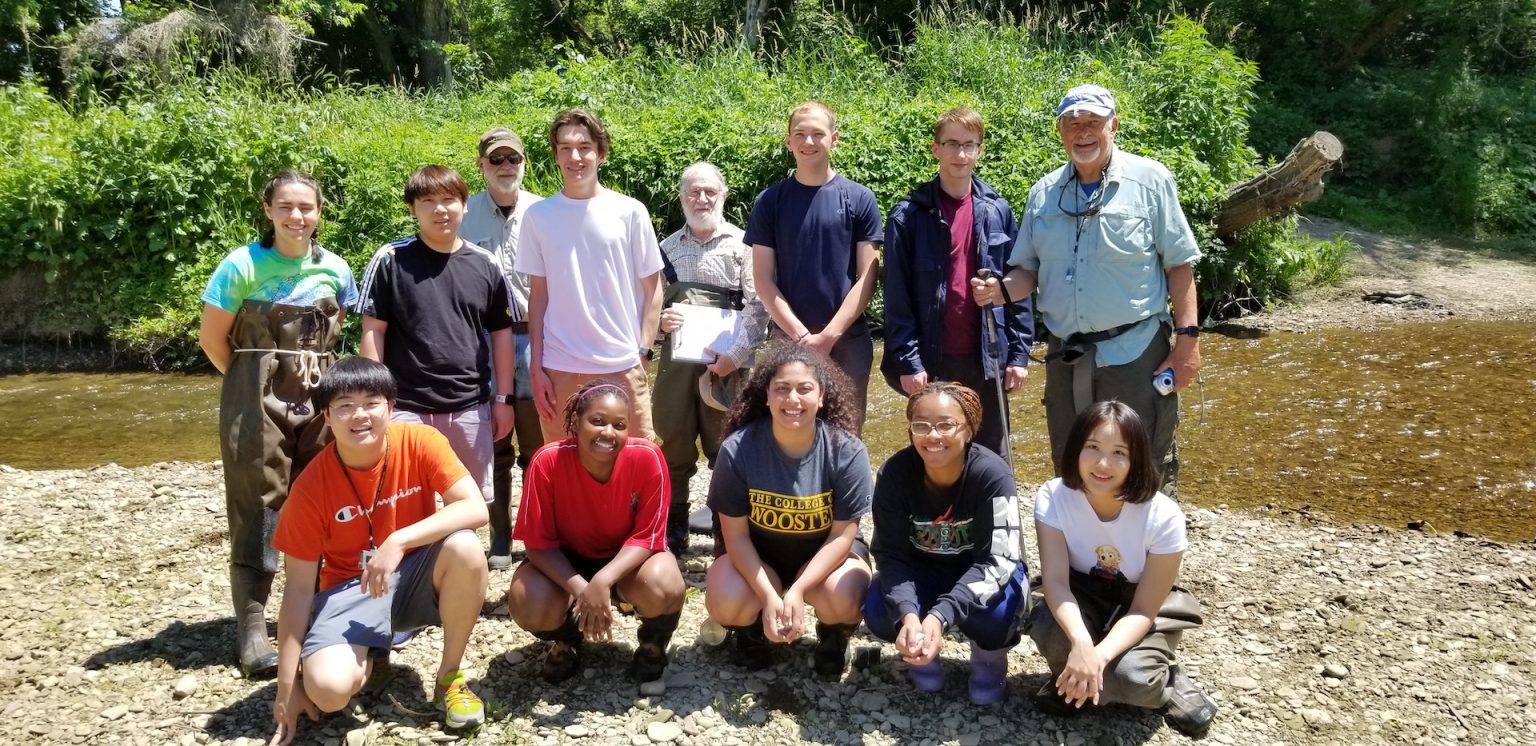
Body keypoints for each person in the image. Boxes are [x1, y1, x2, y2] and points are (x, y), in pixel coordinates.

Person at [971, 84, 1201, 496]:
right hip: (1066, 355)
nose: (1083, 132)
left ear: (1114, 126)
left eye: (1094, 122)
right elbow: (1028, 270)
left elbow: (1178, 265)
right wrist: (999, 292)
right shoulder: (1043, 193)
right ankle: (1081, 539)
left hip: (1135, 351)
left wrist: (1187, 345)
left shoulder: (1151, 180)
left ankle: (1146, 539)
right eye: (1072, 123)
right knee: (1072, 463)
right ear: (1060, 131)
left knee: (1142, 464)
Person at [268, 357, 490, 744]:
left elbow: (475, 508)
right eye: (345, 406)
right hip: (347, 592)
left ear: (390, 407)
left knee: (466, 547)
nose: (360, 415)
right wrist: (286, 688)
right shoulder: (310, 487)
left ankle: (450, 677)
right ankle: (372, 653)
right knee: (329, 692)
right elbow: (299, 590)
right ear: (326, 416)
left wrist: (399, 540)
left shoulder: (421, 442)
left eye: (372, 403)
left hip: (413, 577)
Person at [197, 169, 357, 678]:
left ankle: (316, 610)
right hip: (255, 394)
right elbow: (211, 339)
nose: (296, 216)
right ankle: (251, 629)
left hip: (320, 393)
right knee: (259, 502)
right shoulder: (240, 266)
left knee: (321, 496)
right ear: (268, 210)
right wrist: (250, 381)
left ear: (319, 212)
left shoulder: (336, 268)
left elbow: (337, 331)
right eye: (286, 206)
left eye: (306, 207)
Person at [1026, 400, 1216, 737]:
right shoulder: (1054, 496)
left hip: (1139, 604)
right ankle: (1076, 678)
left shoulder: (1163, 516)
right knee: (1044, 624)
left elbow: (1144, 609)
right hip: (1083, 592)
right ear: (1076, 449)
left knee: (1134, 679)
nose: (1103, 463)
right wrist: (1081, 643)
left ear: (1137, 458)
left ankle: (1167, 683)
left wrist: (1098, 657)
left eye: (1119, 453)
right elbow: (1055, 581)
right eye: (1092, 447)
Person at [704, 342, 873, 679]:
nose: (792, 399)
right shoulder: (738, 449)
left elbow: (842, 537)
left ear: (821, 396)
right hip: (759, 555)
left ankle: (833, 633)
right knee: (725, 599)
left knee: (848, 594)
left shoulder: (847, 451)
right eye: (781, 388)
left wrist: (797, 590)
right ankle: (752, 628)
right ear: (766, 396)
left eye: (804, 389)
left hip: (824, 557)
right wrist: (769, 595)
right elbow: (735, 536)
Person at [356, 165, 516, 516]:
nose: (440, 210)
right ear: (412, 209)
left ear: (465, 205)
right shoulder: (390, 260)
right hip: (405, 407)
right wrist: (374, 400)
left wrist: (503, 399)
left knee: (469, 507)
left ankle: (463, 553)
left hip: (470, 405)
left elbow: (502, 334)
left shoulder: (486, 264)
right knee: (402, 505)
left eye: (449, 199)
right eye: (428, 201)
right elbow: (373, 331)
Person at [506, 380, 686, 683]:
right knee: (527, 600)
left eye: (619, 425)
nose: (608, 433)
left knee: (665, 584)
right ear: (576, 422)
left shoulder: (648, 458)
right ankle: (568, 640)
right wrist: (583, 591)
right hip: (566, 562)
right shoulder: (546, 462)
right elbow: (538, 544)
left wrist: (602, 580)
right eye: (598, 421)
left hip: (626, 562)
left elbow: (648, 536)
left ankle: (653, 642)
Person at [882, 107, 1034, 458]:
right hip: (932, 358)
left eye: (969, 145)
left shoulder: (997, 210)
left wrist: (1019, 354)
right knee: (937, 452)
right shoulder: (908, 215)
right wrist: (909, 361)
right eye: (951, 144)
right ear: (936, 149)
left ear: (980, 150)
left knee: (992, 455)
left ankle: (995, 499)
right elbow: (896, 298)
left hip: (988, 356)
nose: (960, 154)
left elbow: (1017, 284)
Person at [863, 382, 1027, 705]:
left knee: (1000, 614)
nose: (933, 436)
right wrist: (910, 616)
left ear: (969, 429)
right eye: (921, 426)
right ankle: (920, 655)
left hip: (980, 571)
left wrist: (941, 614)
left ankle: (988, 662)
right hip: (923, 571)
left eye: (946, 425)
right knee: (878, 608)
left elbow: (998, 560)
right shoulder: (894, 474)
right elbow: (890, 554)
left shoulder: (993, 475)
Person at [517, 108, 664, 443]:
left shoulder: (630, 212)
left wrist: (643, 352)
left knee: (635, 459)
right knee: (563, 461)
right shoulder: (538, 216)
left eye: (584, 147)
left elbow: (653, 289)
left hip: (622, 364)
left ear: (601, 153)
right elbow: (538, 298)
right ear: (556, 156)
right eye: (565, 148)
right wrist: (536, 368)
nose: (575, 157)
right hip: (559, 367)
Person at [745, 101, 882, 434]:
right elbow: (763, 279)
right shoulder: (770, 201)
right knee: (789, 428)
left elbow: (868, 276)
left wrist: (829, 336)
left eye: (818, 134)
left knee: (846, 433)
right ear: (789, 142)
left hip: (848, 339)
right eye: (800, 134)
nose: (808, 142)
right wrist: (803, 337)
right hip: (788, 336)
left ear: (834, 139)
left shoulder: (859, 198)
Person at [654, 162, 768, 551]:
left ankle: (727, 527)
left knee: (728, 444)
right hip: (676, 364)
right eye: (693, 192)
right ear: (681, 197)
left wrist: (736, 356)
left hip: (729, 364)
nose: (701, 199)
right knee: (672, 440)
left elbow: (759, 307)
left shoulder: (744, 245)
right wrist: (661, 323)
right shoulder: (665, 249)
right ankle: (676, 524)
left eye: (710, 192)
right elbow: (649, 309)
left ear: (723, 196)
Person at [461, 128, 547, 570]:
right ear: (482, 166)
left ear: (524, 163)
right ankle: (499, 535)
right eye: (496, 159)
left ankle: (535, 534)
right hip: (483, 340)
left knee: (537, 445)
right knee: (494, 444)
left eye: (513, 158)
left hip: (537, 336)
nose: (506, 166)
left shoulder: (545, 212)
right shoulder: (463, 215)